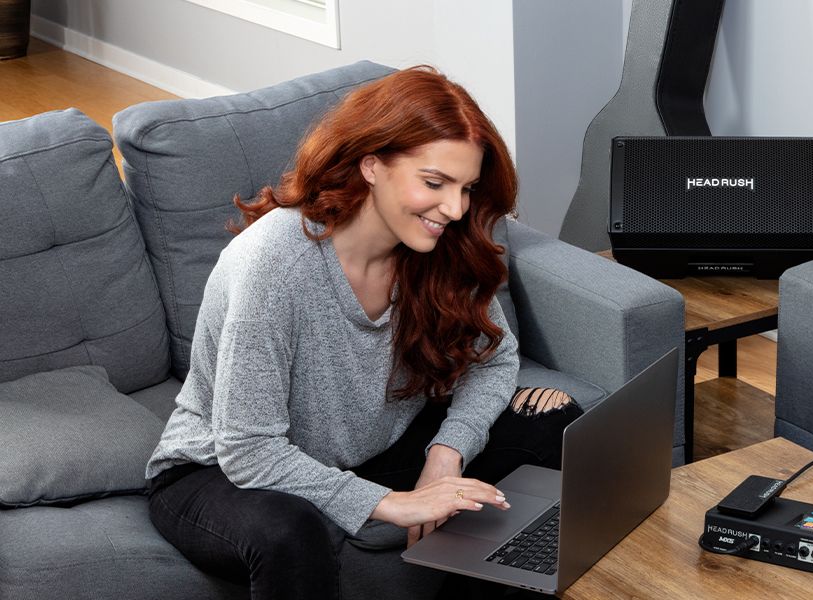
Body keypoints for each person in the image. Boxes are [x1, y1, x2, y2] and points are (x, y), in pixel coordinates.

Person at [144, 66, 580, 599]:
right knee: (289, 531)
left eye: (465, 188)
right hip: (216, 473)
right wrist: (387, 502)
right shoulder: (273, 263)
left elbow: (495, 360)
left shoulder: (440, 245)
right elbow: (248, 449)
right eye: (434, 183)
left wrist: (446, 455)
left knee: (555, 418)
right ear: (371, 165)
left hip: (366, 449)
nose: (455, 208)